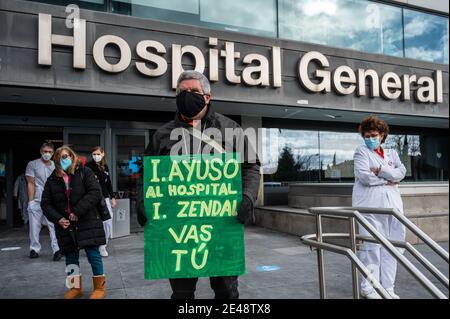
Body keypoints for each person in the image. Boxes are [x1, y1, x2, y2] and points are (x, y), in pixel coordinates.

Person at [136, 70, 261, 299]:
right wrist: (142, 201)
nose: (188, 95)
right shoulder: (162, 135)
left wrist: (248, 198)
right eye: (182, 92)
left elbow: (251, 167)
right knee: (182, 293)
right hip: (178, 229)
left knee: (226, 291)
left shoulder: (230, 129)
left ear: (207, 97)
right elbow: (146, 174)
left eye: (194, 91)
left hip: (222, 225)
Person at [41, 145, 107, 299]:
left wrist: (77, 211)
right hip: (66, 225)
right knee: (70, 257)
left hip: (87, 221)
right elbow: (45, 203)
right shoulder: (52, 180)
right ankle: (75, 287)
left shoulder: (85, 172)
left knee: (93, 255)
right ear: (56, 160)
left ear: (72, 156)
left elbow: (95, 192)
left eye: (67, 156)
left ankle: (100, 288)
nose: (64, 159)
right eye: (60, 157)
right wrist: (58, 219)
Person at [352, 115, 406, 299]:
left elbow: (402, 173)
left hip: (393, 208)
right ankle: (368, 288)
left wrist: (382, 172)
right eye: (366, 136)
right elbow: (364, 177)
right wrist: (390, 178)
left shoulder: (392, 153)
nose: (369, 139)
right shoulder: (361, 152)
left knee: (393, 248)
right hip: (370, 207)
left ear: (382, 135)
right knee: (372, 248)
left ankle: (388, 287)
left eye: (373, 135)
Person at [25, 142, 61, 260]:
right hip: (37, 198)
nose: (47, 154)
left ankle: (57, 250)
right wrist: (31, 202)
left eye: (50, 152)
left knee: (53, 225)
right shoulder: (32, 164)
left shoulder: (55, 165)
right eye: (45, 151)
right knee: (35, 225)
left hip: (51, 200)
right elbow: (30, 183)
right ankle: (34, 249)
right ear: (41, 151)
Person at [86, 146, 116, 257]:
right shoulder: (88, 167)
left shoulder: (105, 166)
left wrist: (112, 197)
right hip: (93, 198)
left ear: (103, 154)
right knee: (95, 222)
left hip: (105, 197)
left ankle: (103, 245)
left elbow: (108, 183)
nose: (96, 156)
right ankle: (96, 245)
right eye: (94, 154)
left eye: (98, 154)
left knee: (108, 221)